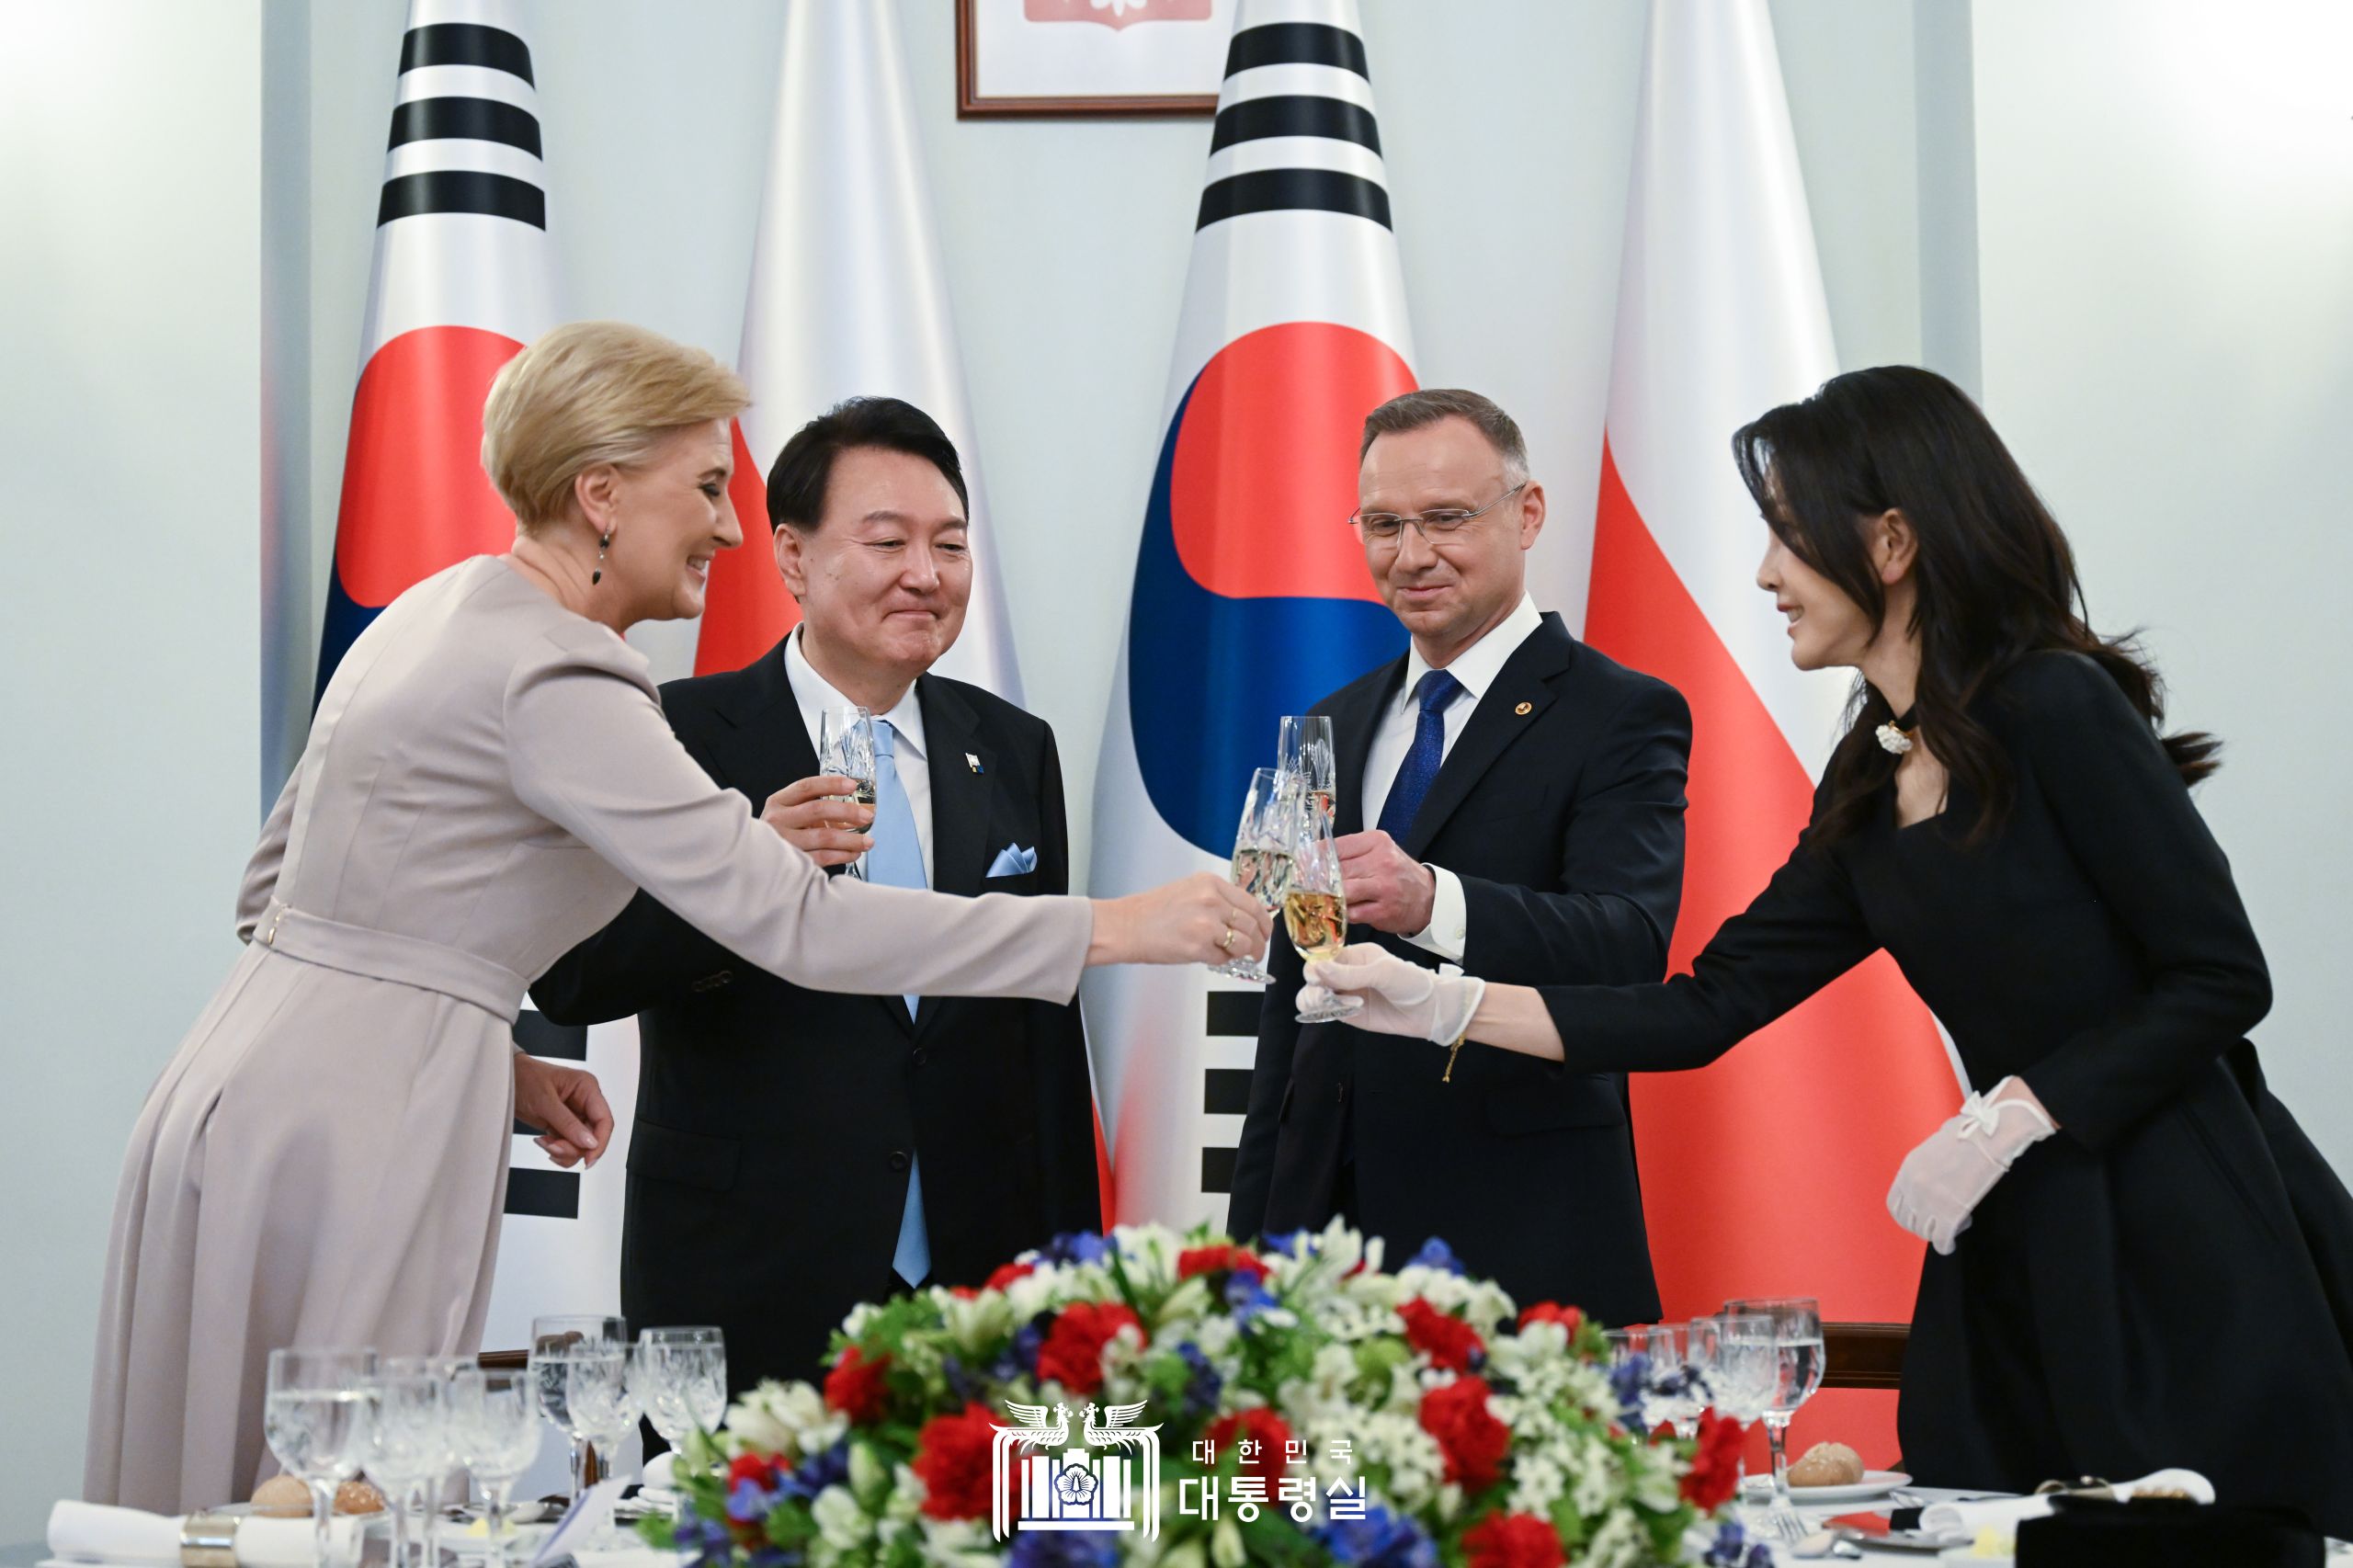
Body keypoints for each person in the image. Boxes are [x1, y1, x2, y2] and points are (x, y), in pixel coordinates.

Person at [84, 322, 1268, 1514]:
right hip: (367, 1119)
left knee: (249, 1481)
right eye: (707, 486)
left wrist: (484, 1046)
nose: (728, 523)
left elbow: (273, 894)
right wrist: (1114, 928)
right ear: (601, 494)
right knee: (342, 1487)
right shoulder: (567, 669)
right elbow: (801, 926)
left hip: (248, 1087)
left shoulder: (433, 611)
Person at [1307, 365, 2353, 1529]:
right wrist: (1444, 1005)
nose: (1765, 575)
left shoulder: (2055, 704)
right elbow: (1707, 1005)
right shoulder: (1869, 771)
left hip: (2177, 1222)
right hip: (2005, 1225)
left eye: (1789, 539)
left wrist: (2015, 1110)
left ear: (1892, 542)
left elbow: (2220, 975)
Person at [532, 396, 1101, 1397]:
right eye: (887, 541)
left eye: (950, 544)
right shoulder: (673, 730)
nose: (925, 574)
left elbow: (1039, 1023)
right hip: (748, 1267)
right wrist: (745, 867)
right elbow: (577, 972)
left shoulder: (1014, 745)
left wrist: (1073, 1282)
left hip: (987, 1278)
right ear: (791, 557)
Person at [1224, 388, 1692, 1324]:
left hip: (1520, 1228)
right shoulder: (1331, 720)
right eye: (1384, 524)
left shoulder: (1619, 712)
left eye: (1445, 519)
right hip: (1323, 1246)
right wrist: (1249, 1253)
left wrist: (1431, 899)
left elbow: (1627, 944)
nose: (1411, 554)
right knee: (1321, 1481)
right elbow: (1289, 1004)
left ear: (1526, 514)